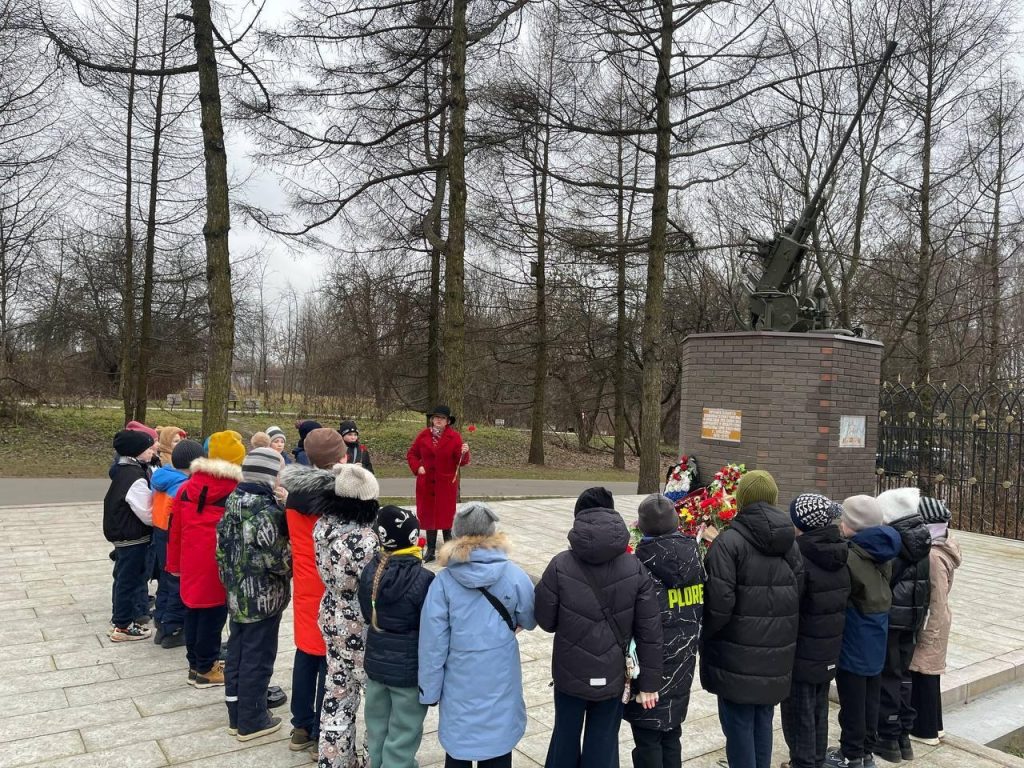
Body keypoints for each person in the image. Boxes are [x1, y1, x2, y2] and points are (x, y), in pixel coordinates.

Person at [534, 487, 663, 768]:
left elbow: (546, 621)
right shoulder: (635, 567)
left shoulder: (560, 565)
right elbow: (650, 631)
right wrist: (650, 683)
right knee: (603, 743)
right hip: (613, 674)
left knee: (565, 738)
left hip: (569, 673)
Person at [419, 503, 537, 768]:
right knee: (498, 742)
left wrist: (429, 690)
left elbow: (432, 644)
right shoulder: (514, 575)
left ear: (457, 533)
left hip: (458, 677)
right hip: (501, 672)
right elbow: (530, 619)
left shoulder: (443, 582)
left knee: (458, 745)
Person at [700, 470, 803, 768]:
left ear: (741, 499)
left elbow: (718, 605)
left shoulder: (728, 543)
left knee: (738, 724)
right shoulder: (790, 543)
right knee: (763, 719)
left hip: (736, 654)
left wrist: (707, 637)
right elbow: (798, 590)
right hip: (776, 653)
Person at [279, 427, 349, 753]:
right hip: (332, 584)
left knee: (306, 652)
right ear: (341, 457)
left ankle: (300, 726)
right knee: (330, 660)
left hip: (305, 582)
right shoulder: (340, 497)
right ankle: (323, 728)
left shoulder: (294, 494)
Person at [623, 494, 704, 768]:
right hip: (683, 665)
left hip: (649, 673)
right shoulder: (696, 559)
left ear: (642, 527)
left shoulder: (638, 568)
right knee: (671, 735)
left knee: (648, 740)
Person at [217, 447, 292, 741]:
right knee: (258, 657)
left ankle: (235, 713)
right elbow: (279, 560)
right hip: (263, 599)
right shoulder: (267, 512)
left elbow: (221, 550)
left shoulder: (233, 502)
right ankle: (253, 719)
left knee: (237, 653)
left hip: (236, 595)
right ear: (270, 477)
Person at [825, 496, 901, 768]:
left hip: (854, 639)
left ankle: (851, 754)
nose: (840, 524)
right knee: (870, 698)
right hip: (876, 636)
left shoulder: (851, 556)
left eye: (844, 520)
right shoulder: (882, 551)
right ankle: (866, 751)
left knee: (853, 701)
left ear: (854, 525)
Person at [167, 430, 246, 689]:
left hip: (190, 561)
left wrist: (174, 565)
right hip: (218, 564)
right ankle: (207, 668)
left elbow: (174, 530)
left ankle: (194, 664)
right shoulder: (236, 491)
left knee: (193, 612)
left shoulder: (186, 487)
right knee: (213, 617)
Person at [314, 463, 380, 768]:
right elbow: (376, 584)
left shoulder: (322, 527)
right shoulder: (365, 540)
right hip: (360, 622)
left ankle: (334, 760)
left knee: (337, 691)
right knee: (376, 696)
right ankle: (374, 759)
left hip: (331, 613)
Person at [358, 506, 433, 768]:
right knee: (403, 732)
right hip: (407, 670)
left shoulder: (370, 571)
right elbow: (429, 626)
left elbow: (366, 613)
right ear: (414, 538)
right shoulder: (424, 578)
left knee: (377, 728)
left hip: (376, 665)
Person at [780, 494, 851, 768]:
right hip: (828, 648)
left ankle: (803, 762)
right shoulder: (839, 551)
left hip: (802, 650)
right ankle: (817, 759)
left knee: (798, 710)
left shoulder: (800, 556)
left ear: (801, 523)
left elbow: (791, 604)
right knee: (819, 706)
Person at [873, 487, 931, 763]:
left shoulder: (895, 543)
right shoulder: (921, 539)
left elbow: (884, 582)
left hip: (892, 620)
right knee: (904, 676)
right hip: (912, 618)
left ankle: (887, 735)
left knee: (889, 675)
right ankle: (902, 736)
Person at [909, 497, 961, 747]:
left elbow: (936, 600)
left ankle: (925, 731)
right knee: (929, 674)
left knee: (924, 674)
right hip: (938, 621)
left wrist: (927, 634)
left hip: (933, 623)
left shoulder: (933, 556)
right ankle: (935, 726)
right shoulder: (943, 547)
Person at [103, 429, 157, 642]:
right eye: (147, 448)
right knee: (129, 580)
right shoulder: (135, 477)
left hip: (123, 536)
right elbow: (147, 514)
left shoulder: (123, 471)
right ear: (136, 451)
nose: (152, 451)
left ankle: (120, 621)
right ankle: (123, 626)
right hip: (132, 538)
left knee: (124, 578)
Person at [149, 439, 203, 648]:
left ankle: (161, 623)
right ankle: (173, 629)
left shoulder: (163, 476)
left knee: (165, 580)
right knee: (177, 583)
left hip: (160, 532)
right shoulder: (183, 486)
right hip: (175, 536)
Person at [406, 405, 470, 562]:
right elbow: (412, 454)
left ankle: (448, 551)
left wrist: (464, 452)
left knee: (446, 519)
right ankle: (431, 551)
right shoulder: (423, 435)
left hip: (445, 485)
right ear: (432, 419)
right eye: (436, 417)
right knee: (429, 519)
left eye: (442, 418)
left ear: (448, 421)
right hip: (426, 484)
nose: (438, 420)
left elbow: (461, 461)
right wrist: (417, 467)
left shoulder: (454, 437)